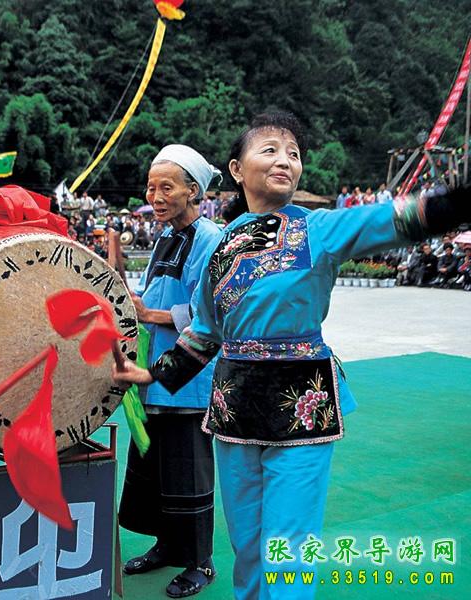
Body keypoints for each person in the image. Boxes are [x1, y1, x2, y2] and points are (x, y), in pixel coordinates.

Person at [113, 112, 470, 600]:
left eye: (294, 154)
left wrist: (456, 202)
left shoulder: (318, 229)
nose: (285, 160)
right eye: (270, 150)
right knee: (247, 547)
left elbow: (393, 219)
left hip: (302, 406)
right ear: (237, 170)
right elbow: (204, 333)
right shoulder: (221, 246)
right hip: (234, 411)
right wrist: (149, 375)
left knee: (288, 549)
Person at [119, 144, 222, 599]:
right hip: (154, 370)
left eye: (166, 187)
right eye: (151, 187)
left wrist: (150, 314)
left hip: (190, 378)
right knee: (158, 470)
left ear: (193, 191)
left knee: (189, 471)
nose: (155, 196)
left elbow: (210, 312)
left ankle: (200, 561)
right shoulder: (165, 235)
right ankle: (166, 545)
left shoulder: (211, 239)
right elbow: (155, 295)